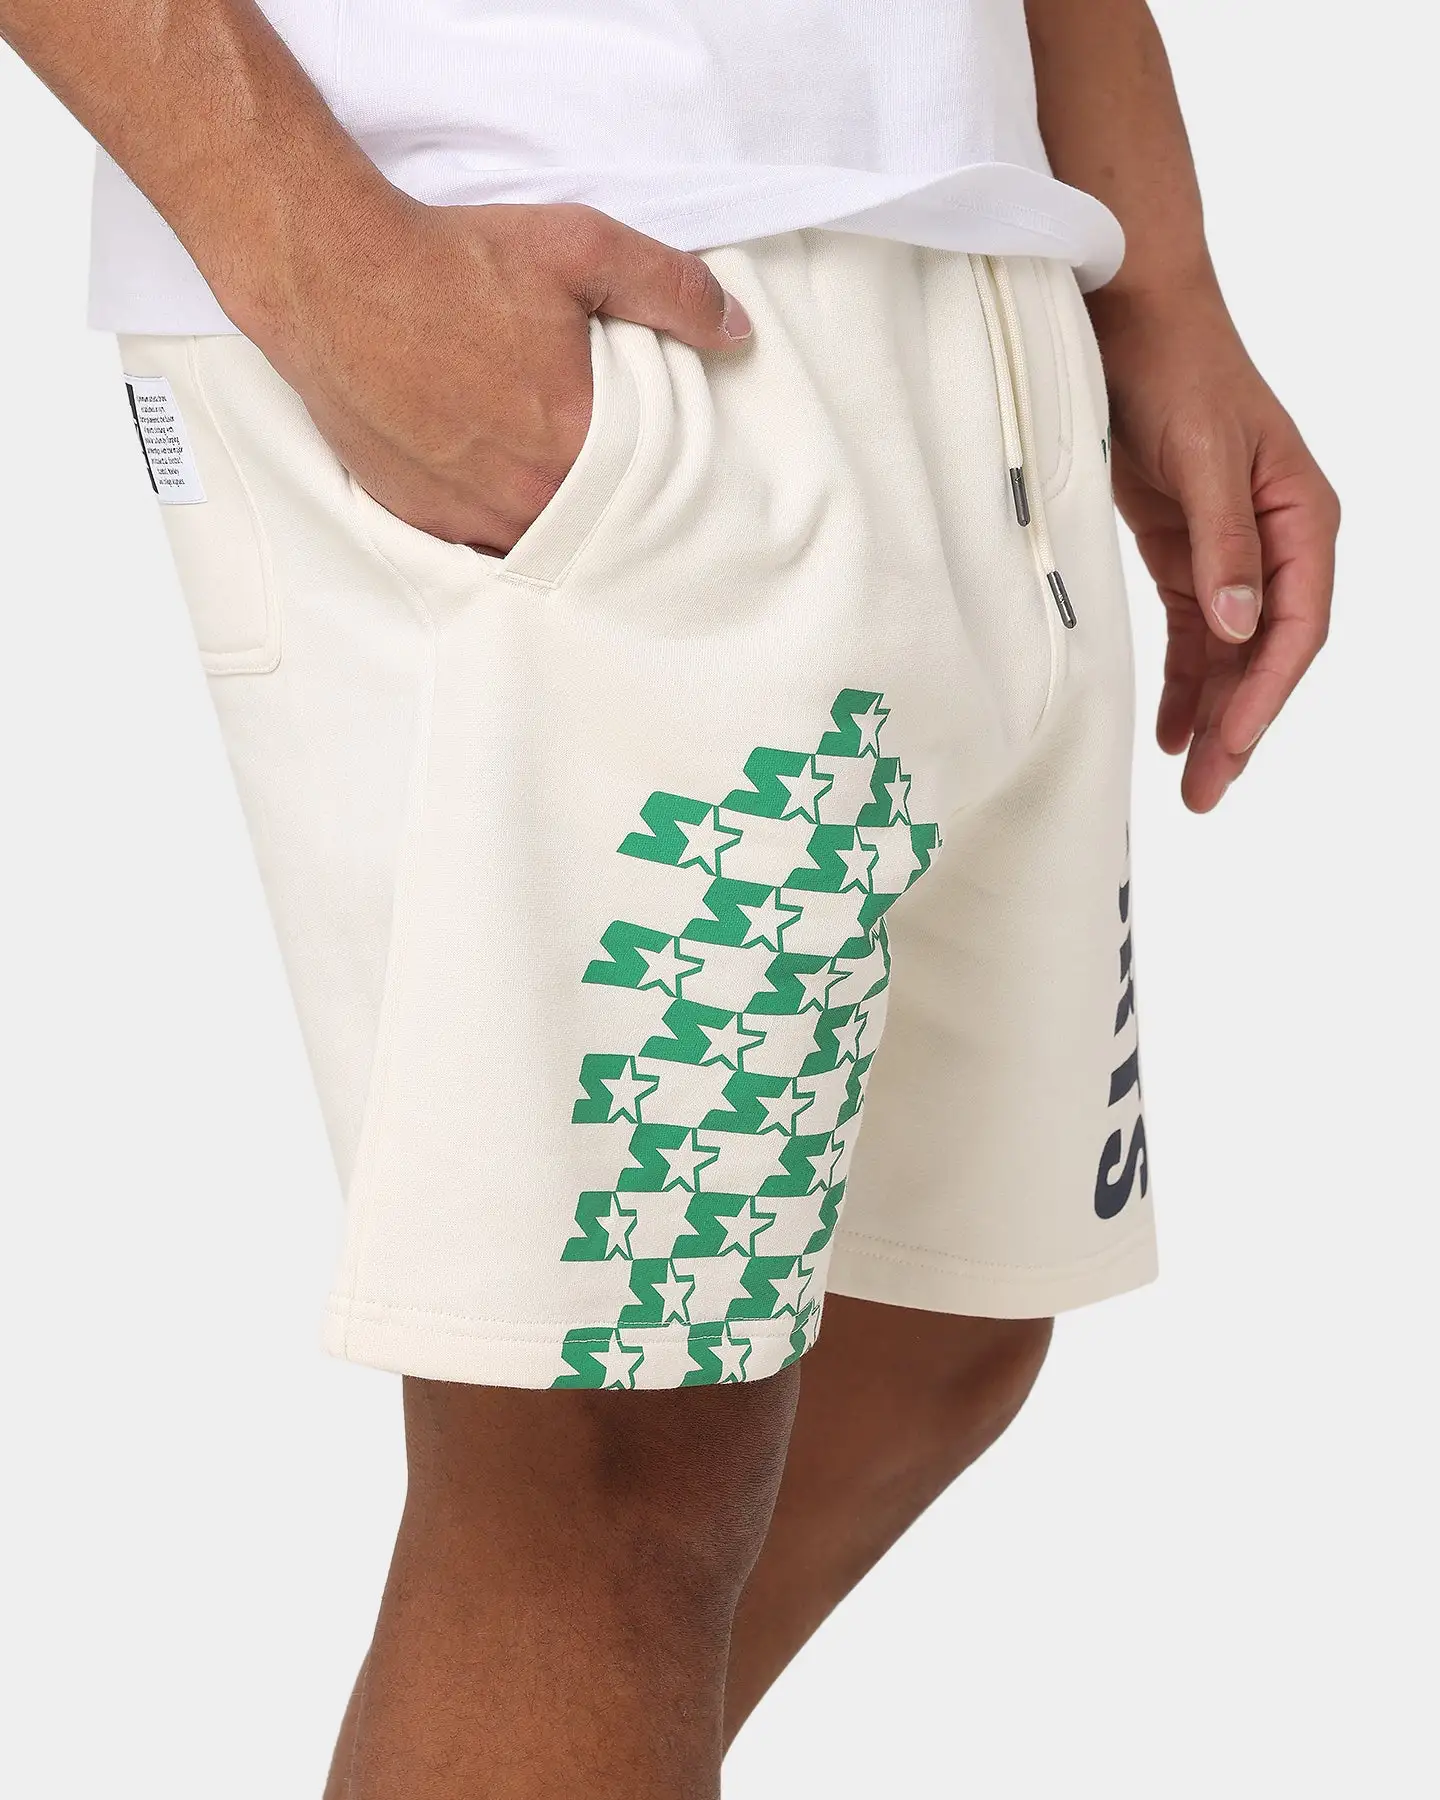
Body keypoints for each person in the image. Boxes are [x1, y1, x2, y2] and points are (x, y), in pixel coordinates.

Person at [0, 2, 1337, 1795]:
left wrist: (1155, 276)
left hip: (976, 272)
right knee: (613, 1470)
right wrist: (322, 256)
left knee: (933, 1318)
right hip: (561, 288)